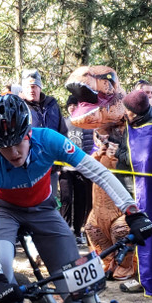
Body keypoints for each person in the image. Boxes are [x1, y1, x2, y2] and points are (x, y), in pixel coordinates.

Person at [0, 94, 152, 303]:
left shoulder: (48, 140)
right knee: (3, 266)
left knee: (77, 283)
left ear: (27, 132)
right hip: (5, 213)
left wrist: (132, 212)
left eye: (17, 143)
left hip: (43, 210)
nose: (13, 152)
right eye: (4, 147)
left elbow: (98, 172)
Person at [113, 90, 152, 296]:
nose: (125, 114)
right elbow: (126, 150)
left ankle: (147, 281)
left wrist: (120, 156)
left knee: (144, 229)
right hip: (132, 183)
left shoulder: (151, 131)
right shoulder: (136, 122)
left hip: (144, 188)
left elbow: (141, 162)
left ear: (137, 113)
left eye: (128, 111)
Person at [21, 68, 67, 197]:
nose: (32, 90)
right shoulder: (18, 106)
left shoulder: (52, 105)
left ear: (40, 88)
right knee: (29, 207)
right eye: (28, 87)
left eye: (35, 86)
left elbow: (62, 133)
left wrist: (59, 163)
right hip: (28, 170)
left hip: (51, 169)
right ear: (23, 88)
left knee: (49, 205)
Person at [59, 95, 94, 244]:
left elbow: (89, 144)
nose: (72, 107)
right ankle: (65, 231)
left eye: (75, 104)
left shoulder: (85, 124)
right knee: (66, 199)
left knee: (81, 201)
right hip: (65, 169)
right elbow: (58, 144)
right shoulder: (63, 123)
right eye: (70, 105)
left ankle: (78, 231)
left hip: (81, 168)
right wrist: (58, 166)